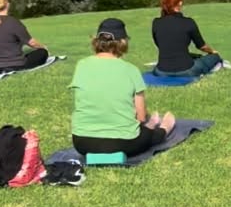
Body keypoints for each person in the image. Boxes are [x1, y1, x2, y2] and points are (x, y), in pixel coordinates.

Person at [71, 17, 175, 157]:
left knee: (140, 128)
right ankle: (164, 126)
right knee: (149, 134)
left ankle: (152, 124)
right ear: (122, 42)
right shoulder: (131, 70)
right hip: (122, 142)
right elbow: (141, 117)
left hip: (82, 143)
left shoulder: (81, 66)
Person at [152, 0, 222, 77]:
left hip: (161, 71)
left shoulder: (156, 23)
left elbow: (159, 44)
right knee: (214, 57)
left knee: (191, 55)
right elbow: (202, 46)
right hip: (187, 70)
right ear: (180, 3)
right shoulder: (188, 22)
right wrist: (213, 51)